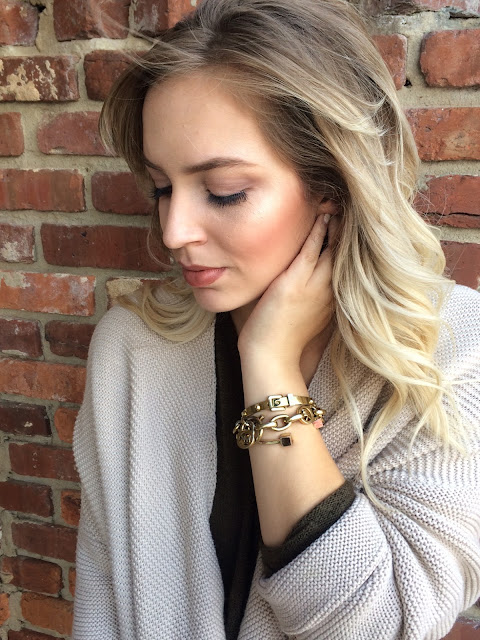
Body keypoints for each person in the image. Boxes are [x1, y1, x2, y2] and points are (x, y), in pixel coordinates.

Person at [71, 0, 480, 638]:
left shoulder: (449, 347)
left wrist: (269, 367)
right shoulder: (131, 351)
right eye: (161, 187)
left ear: (331, 186)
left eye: (224, 191)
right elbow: (100, 605)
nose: (174, 232)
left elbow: (381, 625)